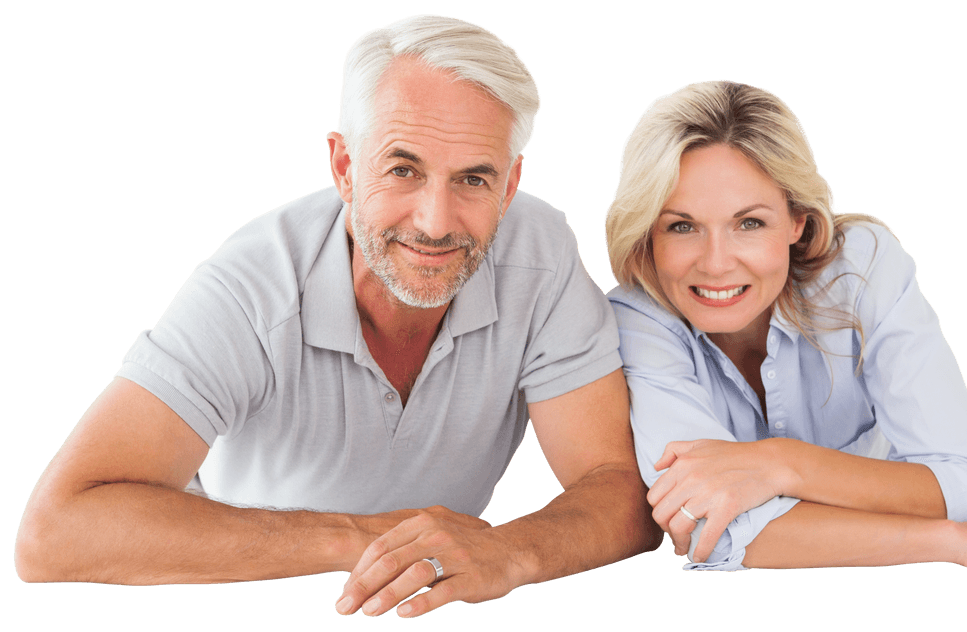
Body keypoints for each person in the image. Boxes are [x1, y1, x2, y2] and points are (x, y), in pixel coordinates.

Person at [14, 14, 660, 616]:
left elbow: (622, 490)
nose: (435, 223)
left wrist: (513, 553)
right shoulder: (252, 287)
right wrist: (366, 539)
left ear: (511, 186)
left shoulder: (539, 253)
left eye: (473, 180)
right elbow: (51, 534)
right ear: (345, 166)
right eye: (403, 169)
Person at [604, 79, 967, 571]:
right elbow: (708, 529)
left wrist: (781, 464)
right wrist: (954, 543)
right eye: (682, 226)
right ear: (648, 235)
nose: (716, 264)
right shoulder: (635, 321)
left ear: (797, 221)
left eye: (750, 223)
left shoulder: (861, 269)